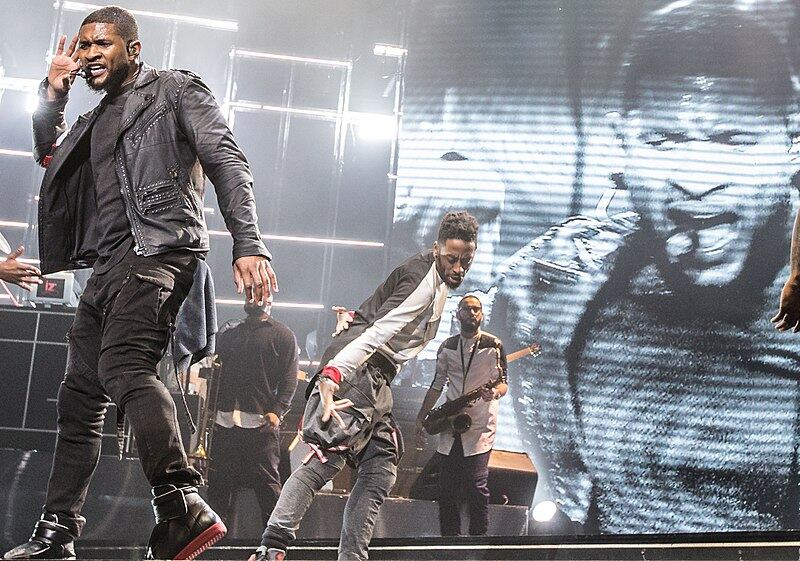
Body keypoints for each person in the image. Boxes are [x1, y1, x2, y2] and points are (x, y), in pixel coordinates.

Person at [491, 3, 800, 533]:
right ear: (623, 143)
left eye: (732, 140)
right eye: (663, 140)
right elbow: (566, 491)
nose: (697, 180)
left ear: (792, 142)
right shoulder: (545, 289)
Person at [3, 6, 276, 560]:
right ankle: (57, 532)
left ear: (133, 48)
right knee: (79, 398)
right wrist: (53, 95)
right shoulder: (92, 120)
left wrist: (248, 243)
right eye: (82, 46)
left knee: (124, 367)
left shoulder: (174, 90)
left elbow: (226, 160)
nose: (89, 54)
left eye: (101, 43)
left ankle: (181, 503)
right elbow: (49, 156)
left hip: (160, 251)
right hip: (106, 267)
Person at [252, 211, 478, 561]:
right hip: (359, 371)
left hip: (376, 379)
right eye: (452, 259)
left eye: (466, 261)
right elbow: (378, 332)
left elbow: (376, 310)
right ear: (437, 249)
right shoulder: (422, 280)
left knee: (380, 466)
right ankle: (271, 548)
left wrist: (353, 318)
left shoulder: (435, 276)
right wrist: (332, 375)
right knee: (326, 458)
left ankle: (351, 556)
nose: (459, 268)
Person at [415, 295, 507, 536]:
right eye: (467, 309)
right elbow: (437, 384)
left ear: (482, 314)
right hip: (451, 422)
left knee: (477, 486)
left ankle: (477, 541)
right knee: (446, 489)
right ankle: (449, 541)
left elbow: (503, 383)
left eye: (476, 309)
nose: (472, 313)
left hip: (479, 425)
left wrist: (494, 393)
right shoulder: (447, 346)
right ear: (457, 314)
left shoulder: (494, 345)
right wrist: (422, 417)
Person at [206, 296, 299, 528]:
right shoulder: (230, 333)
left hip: (261, 424)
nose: (251, 297)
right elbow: (216, 371)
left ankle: (274, 539)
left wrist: (277, 410)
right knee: (218, 486)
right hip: (225, 420)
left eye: (257, 292)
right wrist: (211, 406)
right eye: (248, 292)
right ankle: (214, 541)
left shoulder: (283, 335)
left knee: (268, 487)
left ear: (269, 299)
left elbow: (289, 379)